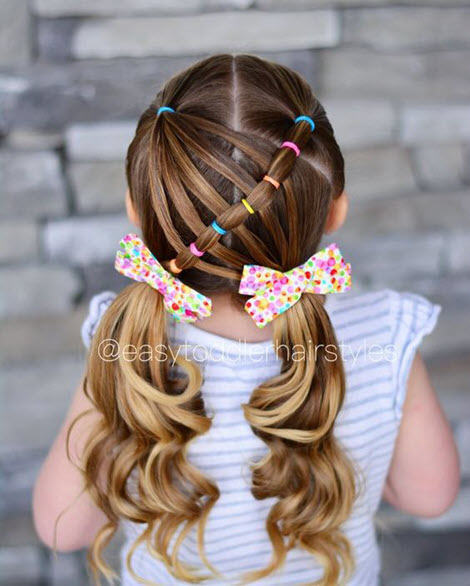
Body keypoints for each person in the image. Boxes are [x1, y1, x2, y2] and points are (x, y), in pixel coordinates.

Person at [32, 54, 460, 586]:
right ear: (335, 211)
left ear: (136, 212)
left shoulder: (125, 342)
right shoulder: (386, 335)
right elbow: (429, 495)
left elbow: (62, 527)